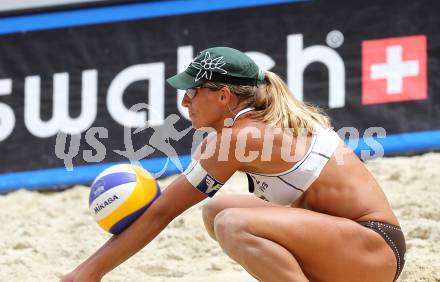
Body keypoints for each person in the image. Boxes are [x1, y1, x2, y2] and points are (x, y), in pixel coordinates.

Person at [62, 47, 406, 282]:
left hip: (374, 251)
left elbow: (161, 213)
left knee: (233, 224)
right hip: (352, 242)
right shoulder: (253, 123)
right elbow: (164, 209)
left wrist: (89, 272)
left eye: (192, 92)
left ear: (224, 95)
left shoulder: (240, 138)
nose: (184, 101)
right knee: (217, 209)